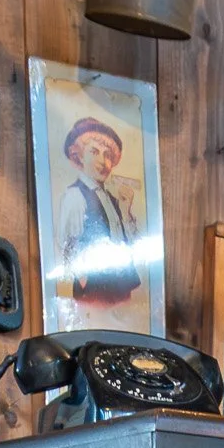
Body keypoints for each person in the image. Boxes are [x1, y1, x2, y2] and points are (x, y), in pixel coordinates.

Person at [57, 114, 142, 309]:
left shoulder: (113, 200)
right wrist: (84, 279)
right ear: (79, 156)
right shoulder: (75, 196)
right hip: (95, 293)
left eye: (108, 156)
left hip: (121, 289)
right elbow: (66, 246)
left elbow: (135, 248)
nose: (103, 162)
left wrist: (125, 211)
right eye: (94, 152)